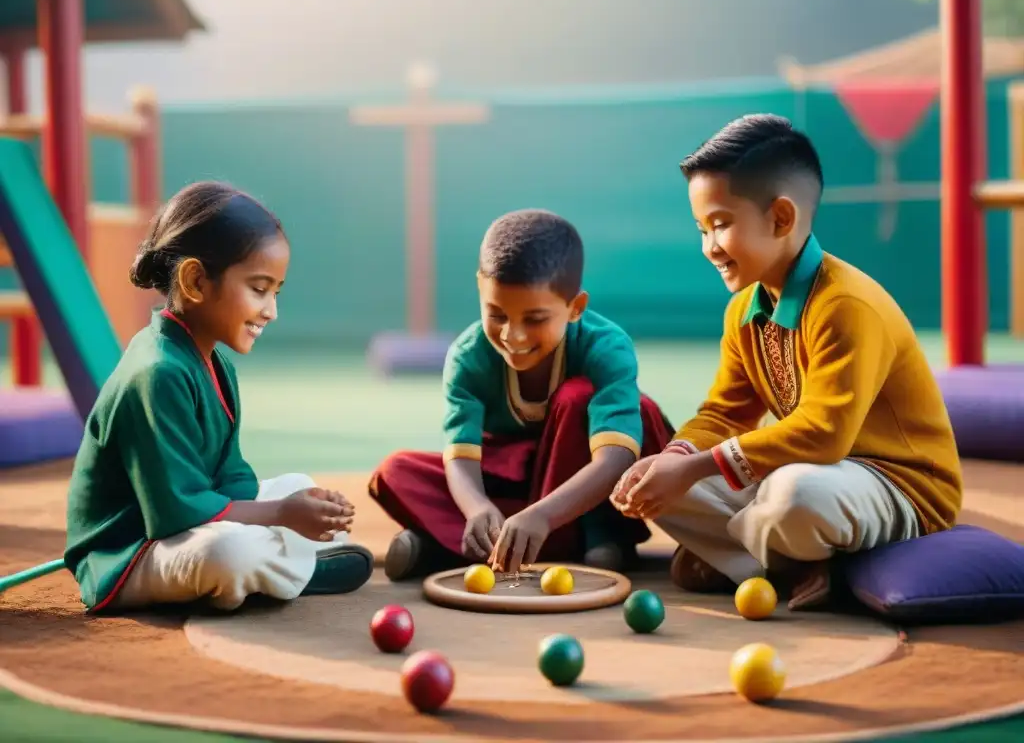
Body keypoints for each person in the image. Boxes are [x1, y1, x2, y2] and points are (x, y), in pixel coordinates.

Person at [612, 114, 963, 610]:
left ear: (780, 218)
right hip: (814, 473)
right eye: (701, 229)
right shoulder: (743, 310)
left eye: (721, 225)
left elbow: (825, 433)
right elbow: (724, 413)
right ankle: (783, 560)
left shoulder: (846, 305)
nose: (709, 247)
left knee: (793, 495)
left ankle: (750, 559)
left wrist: (696, 468)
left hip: (898, 484)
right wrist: (674, 461)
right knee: (662, 484)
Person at [63, 181, 373, 614]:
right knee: (229, 554)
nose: (271, 310)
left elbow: (229, 479)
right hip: (131, 554)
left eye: (276, 293)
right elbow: (175, 514)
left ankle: (282, 566)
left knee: (300, 487)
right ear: (195, 280)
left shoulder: (213, 361)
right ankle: (297, 570)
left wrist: (292, 506)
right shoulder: (158, 372)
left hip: (184, 525)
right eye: (259, 289)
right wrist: (283, 516)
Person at [370, 209, 674, 580]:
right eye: (497, 314)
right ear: (480, 289)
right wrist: (477, 508)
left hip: (587, 495)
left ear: (575, 308)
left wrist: (543, 515)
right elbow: (462, 457)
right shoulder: (468, 357)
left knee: (595, 401)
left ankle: (446, 549)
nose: (513, 336)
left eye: (534, 319)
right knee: (396, 471)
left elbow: (615, 459)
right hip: (516, 478)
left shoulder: (606, 347)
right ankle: (523, 543)